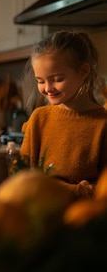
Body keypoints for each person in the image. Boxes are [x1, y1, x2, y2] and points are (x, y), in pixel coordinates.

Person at [20, 30, 107, 199]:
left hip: (83, 219)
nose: (47, 88)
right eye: (40, 81)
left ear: (83, 71)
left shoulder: (102, 124)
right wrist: (77, 190)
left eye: (58, 79)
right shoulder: (39, 118)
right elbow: (23, 177)